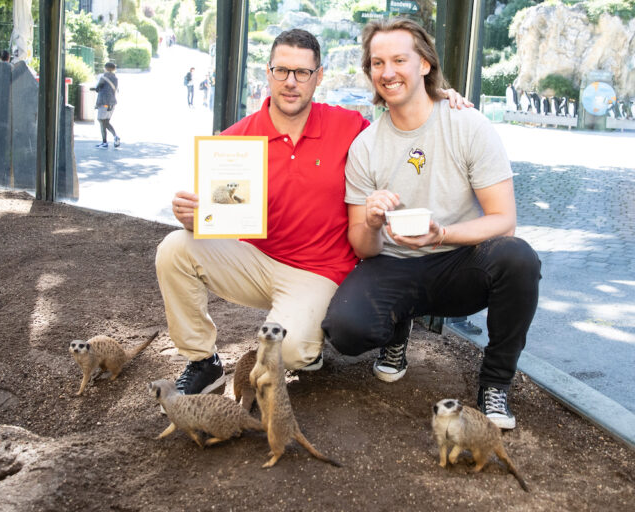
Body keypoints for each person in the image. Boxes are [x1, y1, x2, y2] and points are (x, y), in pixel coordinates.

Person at [155, 29, 467, 397]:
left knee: (289, 352)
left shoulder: (348, 127)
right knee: (175, 248)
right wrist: (195, 217)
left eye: (302, 72)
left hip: (319, 273)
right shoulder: (235, 142)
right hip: (256, 261)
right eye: (282, 71)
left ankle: (309, 333)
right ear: (267, 73)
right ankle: (203, 362)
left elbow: (404, 128)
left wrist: (435, 99)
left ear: (318, 77)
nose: (291, 82)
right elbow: (222, 213)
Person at [320, 18, 541, 430]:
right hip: (393, 261)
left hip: (458, 262)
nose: (388, 72)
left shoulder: (467, 124)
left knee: (518, 258)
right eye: (377, 62)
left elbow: (504, 221)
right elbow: (363, 247)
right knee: (345, 332)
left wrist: (443, 234)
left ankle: (495, 384)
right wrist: (369, 222)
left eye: (399, 59)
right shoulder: (365, 146)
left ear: (424, 64)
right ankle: (395, 331)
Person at [90, 62, 120, 149]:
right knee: (105, 121)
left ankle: (112, 138)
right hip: (112, 103)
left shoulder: (104, 77)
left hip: (104, 102)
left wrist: (94, 88)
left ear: (106, 68)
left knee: (101, 120)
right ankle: (106, 141)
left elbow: (98, 88)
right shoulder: (115, 78)